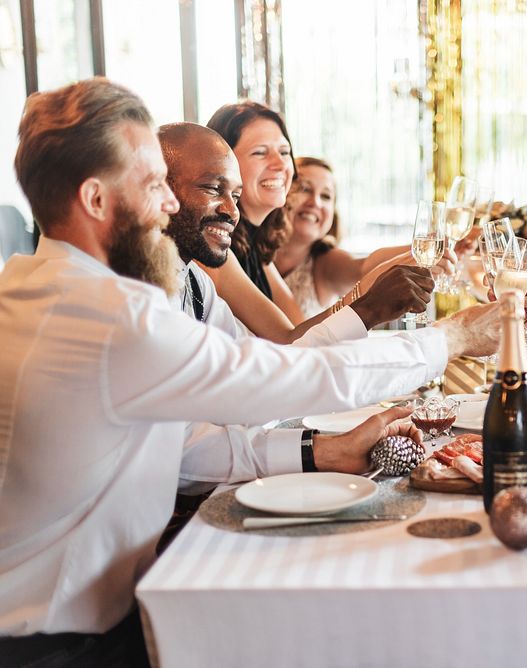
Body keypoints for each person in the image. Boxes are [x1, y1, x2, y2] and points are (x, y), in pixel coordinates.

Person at [0, 77, 498, 664]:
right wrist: (454, 336)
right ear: (96, 200)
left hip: (96, 615)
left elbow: (181, 446)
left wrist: (322, 453)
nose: (167, 205)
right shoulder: (112, 317)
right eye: (155, 184)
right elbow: (286, 379)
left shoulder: (40, 285)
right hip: (57, 645)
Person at [160, 123, 431, 340]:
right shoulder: (202, 262)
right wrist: (368, 306)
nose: (279, 165)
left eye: (284, 152)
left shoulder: (212, 273)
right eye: (261, 152)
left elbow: (269, 359)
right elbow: (285, 344)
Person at [274, 157, 416, 318]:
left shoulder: (325, 262)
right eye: (305, 189)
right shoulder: (250, 250)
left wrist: (425, 248)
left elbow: (363, 268)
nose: (315, 202)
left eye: (326, 196)